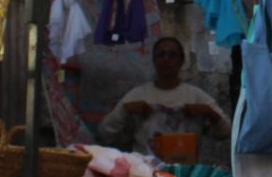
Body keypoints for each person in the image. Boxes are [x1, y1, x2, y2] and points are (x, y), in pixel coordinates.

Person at [97, 36, 229, 157]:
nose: (166, 60)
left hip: (185, 173)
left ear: (181, 60)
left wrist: (210, 113)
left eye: (172, 55)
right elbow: (105, 133)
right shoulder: (138, 95)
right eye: (161, 55)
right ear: (154, 60)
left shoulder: (195, 95)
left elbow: (226, 133)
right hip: (145, 172)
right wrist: (124, 110)